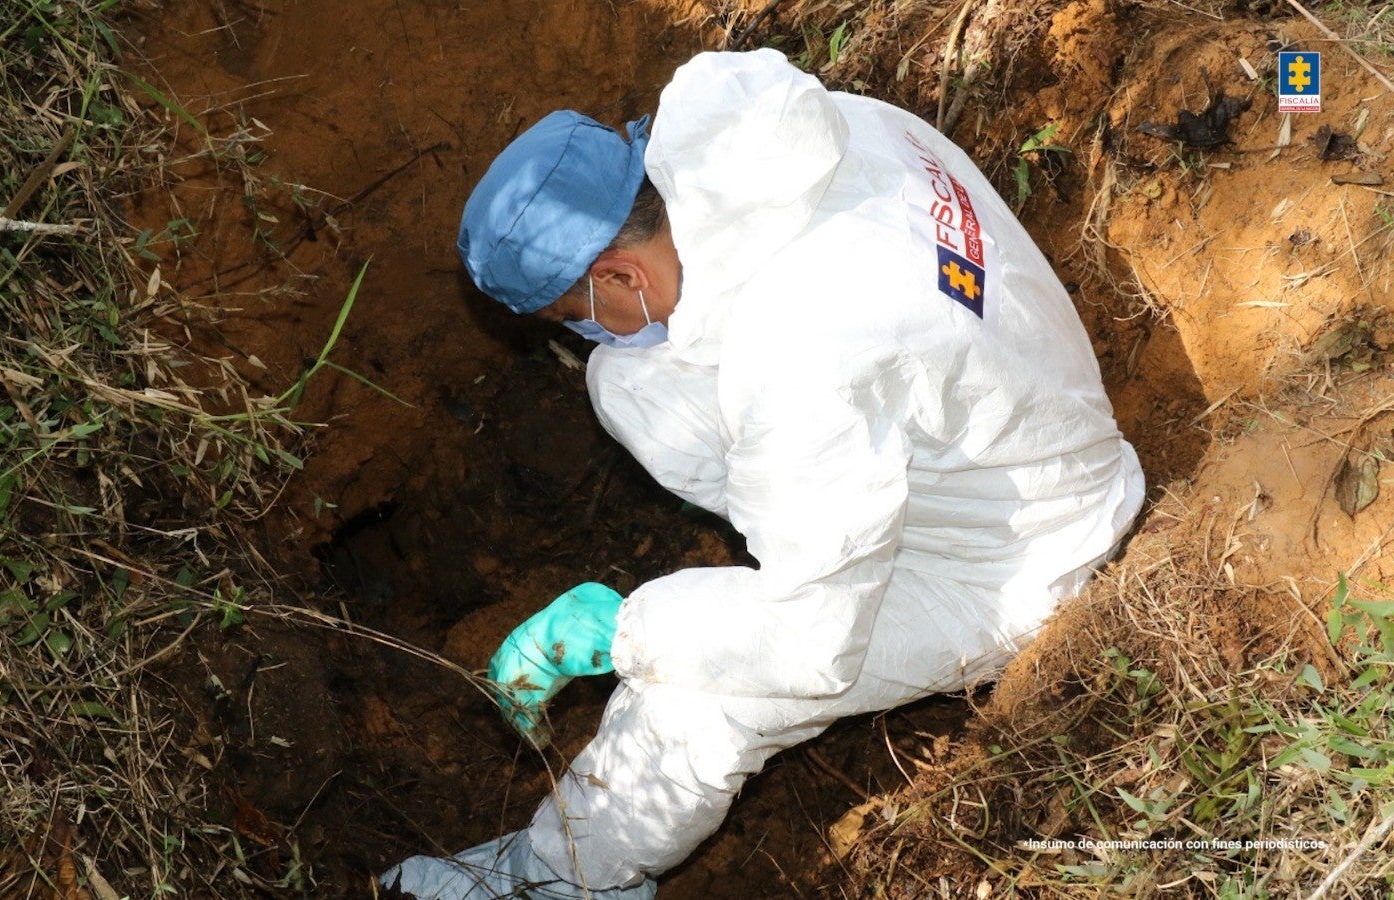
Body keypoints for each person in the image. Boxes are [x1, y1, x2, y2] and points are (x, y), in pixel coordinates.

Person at [382, 49, 1144, 899]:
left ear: (620, 272)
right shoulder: (807, 131)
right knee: (632, 383)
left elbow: (811, 645)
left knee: (699, 694)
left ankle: (560, 883)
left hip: (1012, 559)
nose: (585, 335)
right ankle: (812, 526)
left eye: (577, 316)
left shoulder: (800, 359)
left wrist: (626, 630)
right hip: (1013, 422)